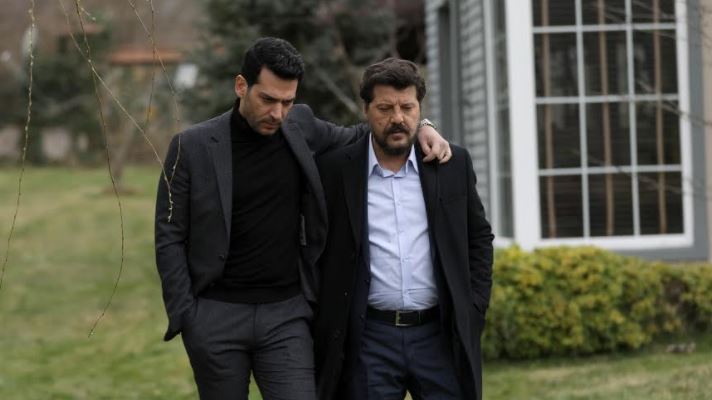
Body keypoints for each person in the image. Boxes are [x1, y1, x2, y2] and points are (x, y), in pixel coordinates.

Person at [154, 38, 451, 400]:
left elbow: (366, 132)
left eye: (287, 102)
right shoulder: (191, 147)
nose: (278, 113)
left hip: (287, 316)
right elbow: (169, 233)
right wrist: (187, 315)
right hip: (216, 316)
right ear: (241, 86)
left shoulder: (301, 126)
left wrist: (424, 125)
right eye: (268, 100)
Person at [314, 58, 494, 400]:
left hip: (439, 336)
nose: (397, 118)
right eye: (385, 108)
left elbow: (479, 238)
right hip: (370, 340)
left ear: (419, 109)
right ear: (366, 110)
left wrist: (473, 308)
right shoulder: (336, 169)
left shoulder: (451, 164)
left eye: (407, 107)